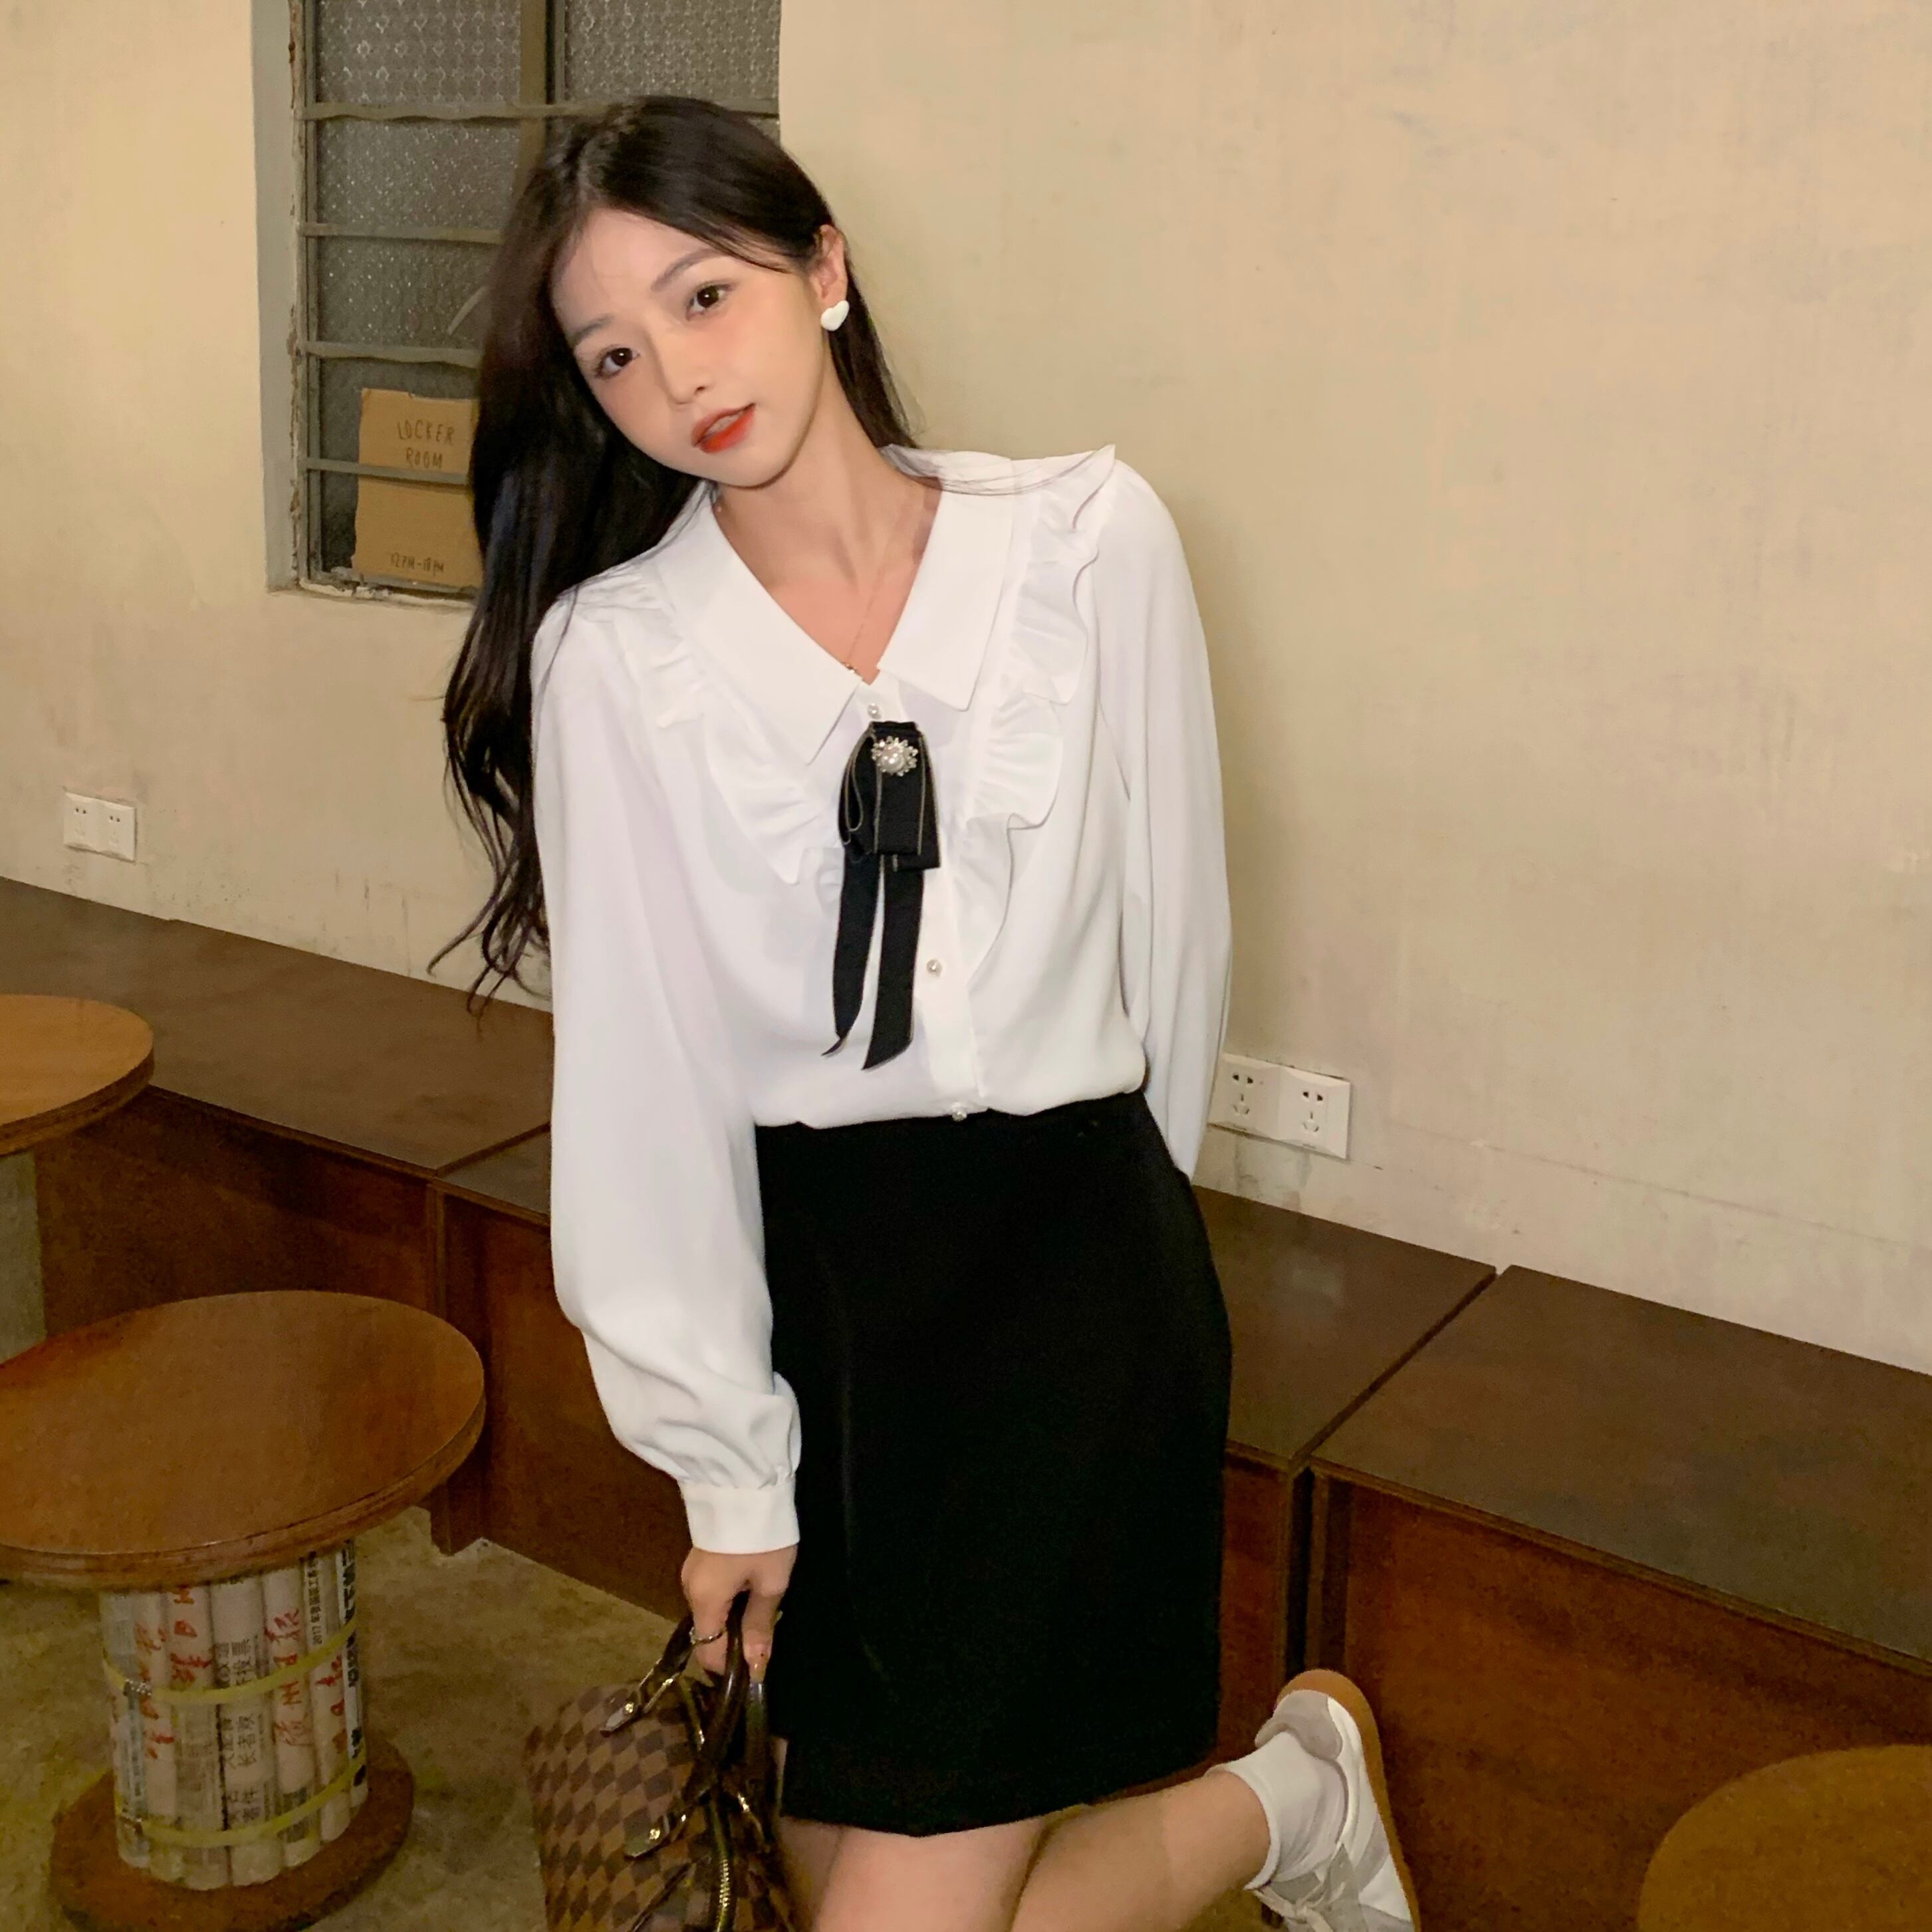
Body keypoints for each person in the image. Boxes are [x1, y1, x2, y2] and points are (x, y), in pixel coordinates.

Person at [438, 94, 1420, 1932]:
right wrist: (727, 1460)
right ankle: (1293, 1800)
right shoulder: (615, 660)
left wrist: (1123, 1239)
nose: (679, 375)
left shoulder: (1089, 547)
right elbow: (645, 1090)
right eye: (616, 353)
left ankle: (1294, 1797)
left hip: (1074, 1280)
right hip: (827, 1313)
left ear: (822, 268)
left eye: (706, 295)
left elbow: (1176, 944)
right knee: (872, 1869)